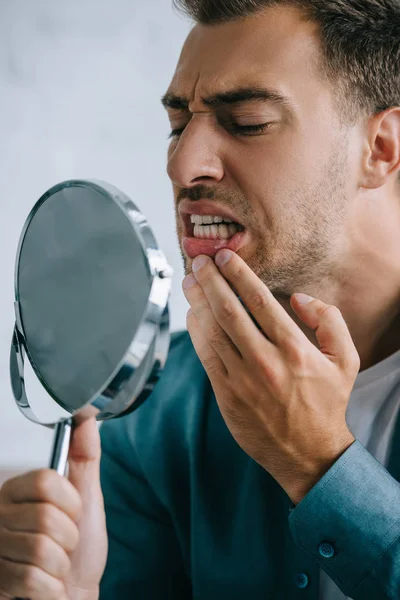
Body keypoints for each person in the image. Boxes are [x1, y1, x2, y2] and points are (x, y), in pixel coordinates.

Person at [1, 0, 400, 598]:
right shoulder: (154, 413)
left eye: (246, 121)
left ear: (381, 148)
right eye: (177, 123)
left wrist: (317, 464)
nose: (183, 163)